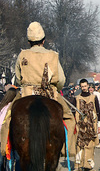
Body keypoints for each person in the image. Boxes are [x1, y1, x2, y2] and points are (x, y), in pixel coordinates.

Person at [0, 21, 76, 157]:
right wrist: (55, 87)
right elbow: (61, 80)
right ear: (44, 40)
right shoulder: (53, 55)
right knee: (70, 119)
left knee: (7, 119)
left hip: (26, 93)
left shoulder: (22, 55)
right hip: (50, 93)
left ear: (29, 41)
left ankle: (2, 148)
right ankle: (68, 149)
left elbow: (18, 78)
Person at [73, 78, 100, 171]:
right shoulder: (77, 98)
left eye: (85, 86)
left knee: (90, 145)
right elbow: (73, 113)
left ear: (88, 86)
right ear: (80, 87)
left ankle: (88, 166)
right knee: (79, 145)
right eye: (82, 86)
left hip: (91, 125)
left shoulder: (93, 97)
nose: (84, 88)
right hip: (80, 125)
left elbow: (97, 111)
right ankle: (78, 166)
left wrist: (99, 124)